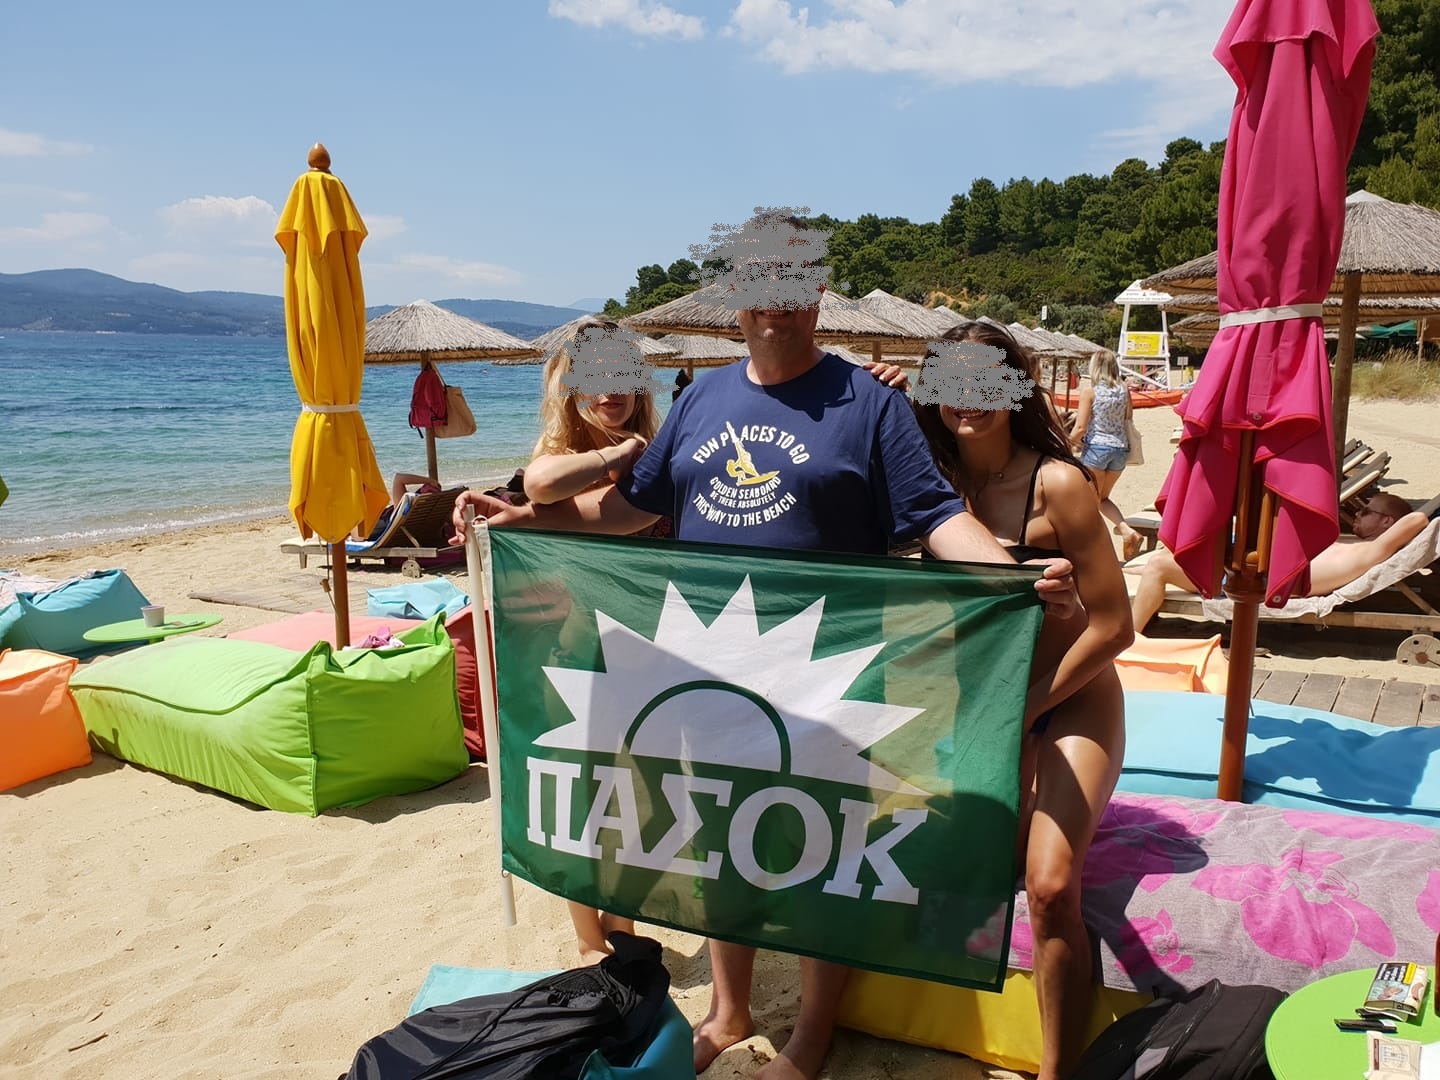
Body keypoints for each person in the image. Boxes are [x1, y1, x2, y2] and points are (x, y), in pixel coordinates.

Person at [452, 210, 1076, 1080]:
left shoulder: (871, 402)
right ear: (737, 294)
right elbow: (629, 507)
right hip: (711, 654)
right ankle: (729, 1008)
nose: (778, 299)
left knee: (822, 849)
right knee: (720, 841)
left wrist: (1008, 575)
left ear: (817, 292)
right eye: (761, 280)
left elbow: (935, 515)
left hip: (828, 664)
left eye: (796, 279)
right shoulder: (701, 398)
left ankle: (812, 1034)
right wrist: (522, 518)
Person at [912, 321, 1133, 1080]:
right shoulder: (926, 484)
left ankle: (1057, 1071)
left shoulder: (1058, 485)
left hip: (1071, 697)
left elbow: (1115, 625)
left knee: (1049, 884)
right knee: (969, 865)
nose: (967, 395)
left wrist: (1030, 708)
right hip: (985, 705)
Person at [1128, 491, 1429, 634]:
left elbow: (1417, 519)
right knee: (1169, 557)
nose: (1358, 514)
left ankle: (1131, 638)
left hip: (1253, 584)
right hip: (1256, 572)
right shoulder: (1357, 545)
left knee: (1159, 566)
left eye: (1367, 511)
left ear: (1387, 522)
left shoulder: (1370, 553)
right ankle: (1144, 576)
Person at [1069, 349, 1145, 560]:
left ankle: (1092, 549)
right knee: (1101, 499)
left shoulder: (1090, 392)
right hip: (1120, 449)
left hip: (1097, 449)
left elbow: (1080, 427)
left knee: (1089, 500)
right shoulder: (1124, 390)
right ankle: (1127, 531)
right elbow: (1128, 418)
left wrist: (1065, 446)